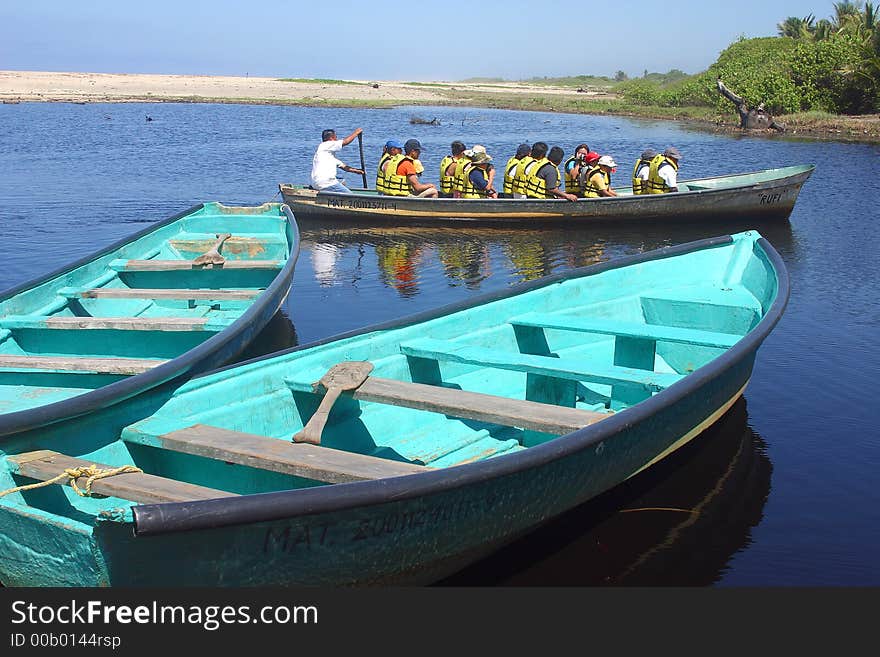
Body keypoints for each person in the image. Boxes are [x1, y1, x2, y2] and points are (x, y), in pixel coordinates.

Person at [309, 127, 365, 193]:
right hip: (325, 183)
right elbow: (346, 142)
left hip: (316, 182)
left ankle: (330, 195)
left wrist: (357, 171)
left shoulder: (327, 155)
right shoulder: (326, 144)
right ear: (331, 138)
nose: (337, 139)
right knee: (350, 195)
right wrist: (356, 133)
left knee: (342, 181)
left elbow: (345, 167)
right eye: (336, 137)